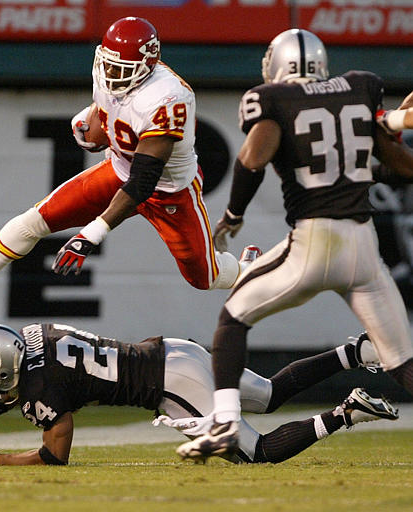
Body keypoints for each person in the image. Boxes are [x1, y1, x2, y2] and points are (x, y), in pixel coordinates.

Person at [177, 28, 413, 462]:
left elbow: (253, 156)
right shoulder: (359, 89)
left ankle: (225, 422)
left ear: (277, 64)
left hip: (316, 239)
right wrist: (390, 132)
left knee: (233, 316)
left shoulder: (274, 99)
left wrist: (232, 214)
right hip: (364, 247)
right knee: (401, 363)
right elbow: (402, 170)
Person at [0, 16, 244, 313]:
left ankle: (249, 269)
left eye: (121, 70)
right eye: (108, 65)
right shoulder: (109, 73)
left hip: (168, 191)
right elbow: (108, 112)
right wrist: (91, 123)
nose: (111, 75)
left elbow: (144, 181)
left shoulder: (167, 98)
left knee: (205, 277)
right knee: (33, 221)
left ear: (146, 66)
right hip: (119, 170)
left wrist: (90, 235)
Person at [0, 322, 397, 465]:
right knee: (267, 394)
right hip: (172, 350)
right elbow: (7, 394)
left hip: (170, 385)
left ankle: (346, 412)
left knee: (255, 453)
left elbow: (54, 453)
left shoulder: (41, 387)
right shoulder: (38, 337)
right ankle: (352, 352)